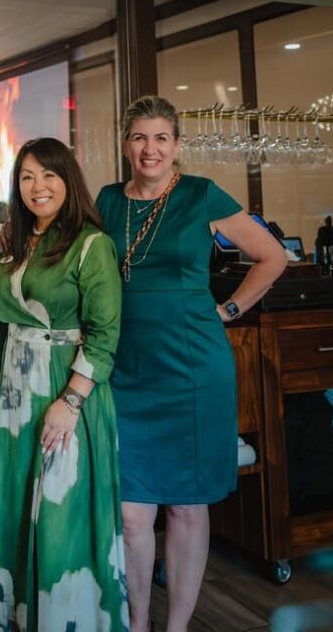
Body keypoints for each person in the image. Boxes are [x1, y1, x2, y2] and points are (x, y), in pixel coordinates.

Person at [95, 95, 286, 632]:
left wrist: (228, 310)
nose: (150, 149)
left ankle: (176, 626)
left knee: (185, 506)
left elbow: (272, 256)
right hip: (127, 370)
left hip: (192, 370)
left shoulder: (202, 194)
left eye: (161, 138)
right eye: (139, 137)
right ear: (125, 144)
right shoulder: (106, 200)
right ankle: (138, 622)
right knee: (131, 513)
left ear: (176, 145)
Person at [0, 138, 126, 631]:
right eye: (26, 177)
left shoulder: (91, 244)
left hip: (67, 391)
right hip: (16, 397)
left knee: (63, 519)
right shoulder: (17, 243)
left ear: (69, 180)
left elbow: (105, 335)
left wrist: (71, 401)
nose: (37, 186)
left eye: (48, 175)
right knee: (17, 511)